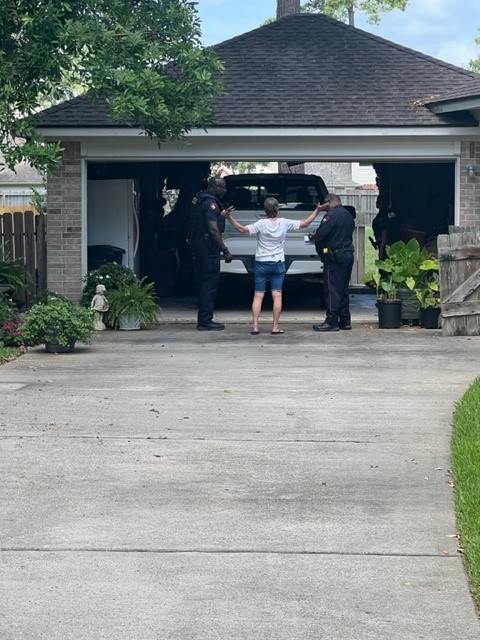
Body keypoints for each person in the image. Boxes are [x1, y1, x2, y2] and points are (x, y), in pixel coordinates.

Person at [223, 197, 322, 334]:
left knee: (258, 295)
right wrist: (317, 211)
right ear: (278, 209)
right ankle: (275, 326)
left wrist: (229, 217)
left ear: (265, 210)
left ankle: (255, 326)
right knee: (277, 295)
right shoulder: (284, 223)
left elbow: (243, 230)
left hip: (261, 263)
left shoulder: (261, 224)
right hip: (278, 263)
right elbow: (305, 224)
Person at [189, 176, 233, 331]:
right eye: (223, 188)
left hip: (198, 244)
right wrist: (225, 250)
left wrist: (221, 215)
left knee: (203, 280)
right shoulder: (210, 203)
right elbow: (212, 229)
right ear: (215, 187)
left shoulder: (199, 198)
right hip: (208, 248)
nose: (225, 190)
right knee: (209, 282)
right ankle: (205, 321)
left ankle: (204, 319)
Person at [308, 193, 355, 332]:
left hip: (335, 257)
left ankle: (331, 321)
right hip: (348, 254)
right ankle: (345, 320)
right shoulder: (347, 215)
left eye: (325, 204)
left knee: (332, 289)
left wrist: (312, 236)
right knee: (343, 289)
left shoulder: (331, 215)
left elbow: (321, 233)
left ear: (329, 202)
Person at [371, 193, 401, 260]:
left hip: (387, 246)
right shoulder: (392, 213)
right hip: (394, 245)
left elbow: (384, 232)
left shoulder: (383, 216)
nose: (376, 203)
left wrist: (381, 251)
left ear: (383, 202)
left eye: (378, 201)